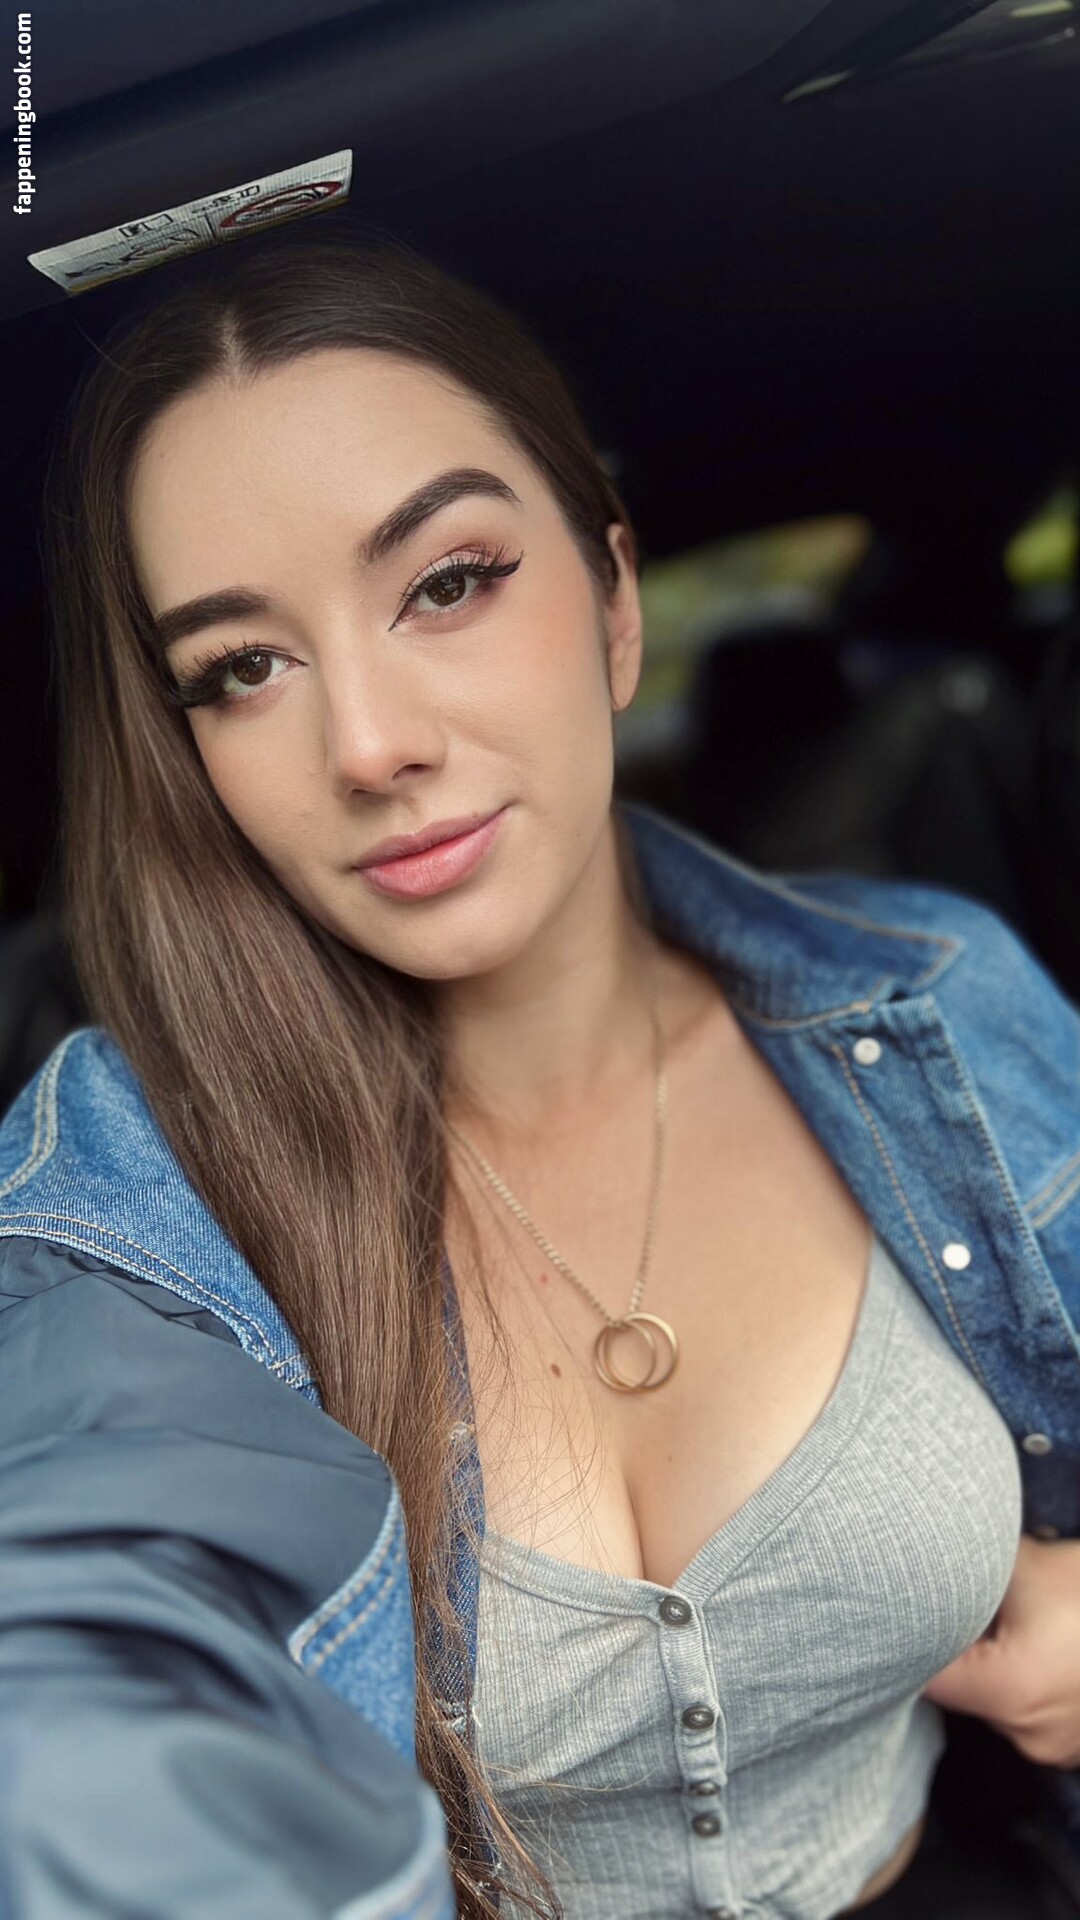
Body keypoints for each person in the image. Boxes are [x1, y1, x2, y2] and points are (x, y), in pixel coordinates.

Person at [0, 231, 1078, 1920]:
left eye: (447, 583)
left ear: (618, 603)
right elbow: (66, 1637)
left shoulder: (937, 1004)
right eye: (243, 668)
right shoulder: (122, 1212)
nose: (370, 744)